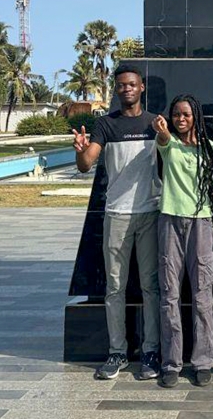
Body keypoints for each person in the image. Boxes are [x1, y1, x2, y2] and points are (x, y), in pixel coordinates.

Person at [72, 67, 163, 381]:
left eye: (132, 84)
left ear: (142, 87)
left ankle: (151, 351)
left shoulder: (155, 123)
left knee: (151, 286)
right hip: (116, 214)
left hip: (150, 213)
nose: (127, 89)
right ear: (116, 89)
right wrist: (81, 151)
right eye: (122, 85)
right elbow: (86, 165)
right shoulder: (106, 125)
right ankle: (117, 352)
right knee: (115, 288)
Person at [153, 95, 213, 388]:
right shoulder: (168, 143)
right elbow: (162, 139)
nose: (180, 119)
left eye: (186, 114)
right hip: (170, 221)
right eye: (176, 114)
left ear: (195, 116)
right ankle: (171, 363)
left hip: (202, 223)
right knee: (169, 294)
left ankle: (202, 361)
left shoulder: (210, 150)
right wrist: (162, 130)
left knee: (202, 295)